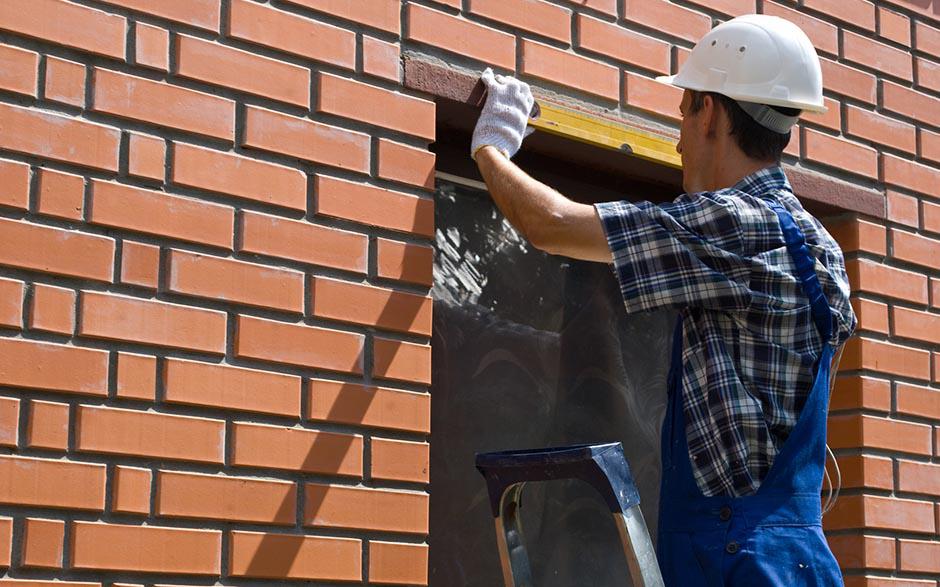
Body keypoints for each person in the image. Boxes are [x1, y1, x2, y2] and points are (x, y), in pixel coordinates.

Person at [470, 14, 857, 586]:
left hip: (733, 562)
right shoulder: (820, 243)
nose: (676, 138)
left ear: (710, 112)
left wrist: (491, 149)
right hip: (795, 563)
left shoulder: (731, 225)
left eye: (682, 112)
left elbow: (550, 224)